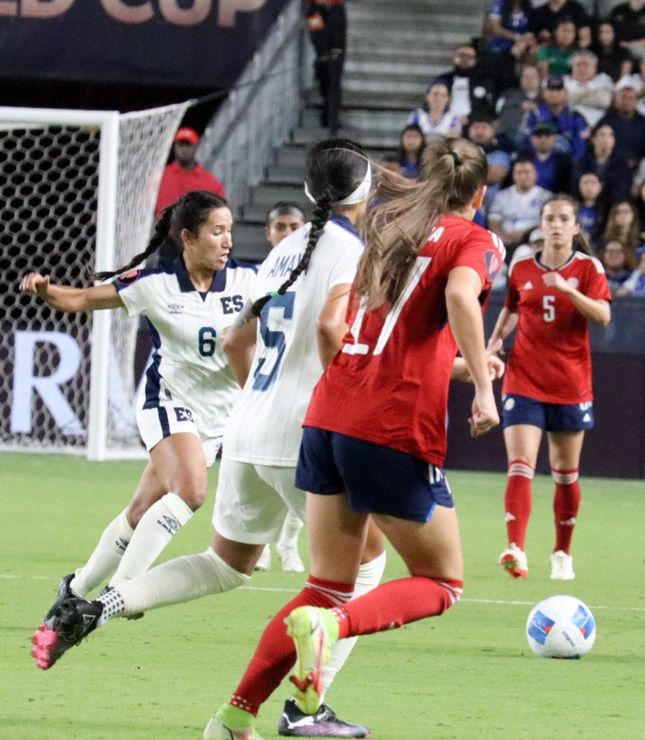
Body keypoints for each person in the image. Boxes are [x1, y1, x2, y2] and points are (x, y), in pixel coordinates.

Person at [38, 142, 390, 737]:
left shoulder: (284, 251)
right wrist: (352, 397)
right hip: (299, 431)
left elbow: (234, 343)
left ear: (308, 196)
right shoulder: (346, 250)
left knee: (227, 564)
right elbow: (332, 328)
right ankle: (307, 706)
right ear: (366, 193)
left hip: (246, 424)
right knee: (366, 566)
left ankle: (100, 605)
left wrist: (258, 398)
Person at [201, 136, 506, 739]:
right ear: (480, 192)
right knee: (441, 583)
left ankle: (234, 716)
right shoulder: (476, 240)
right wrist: (484, 389)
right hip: (390, 426)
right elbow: (460, 296)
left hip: (329, 414)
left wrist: (454, 367)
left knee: (325, 585)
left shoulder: (392, 233)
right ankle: (330, 631)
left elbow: (376, 328)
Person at [25, 191, 256, 670]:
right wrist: (48, 291)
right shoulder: (155, 284)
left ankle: (76, 588)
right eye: (217, 231)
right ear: (188, 237)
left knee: (140, 509)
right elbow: (83, 299)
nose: (227, 240)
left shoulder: (249, 280)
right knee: (191, 490)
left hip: (219, 417)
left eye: (229, 230)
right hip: (166, 403)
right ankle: (121, 593)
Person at [487, 197, 613, 580]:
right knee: (520, 465)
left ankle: (561, 552)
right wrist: (493, 343)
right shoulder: (522, 266)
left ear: (575, 227)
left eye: (563, 219)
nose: (556, 225)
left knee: (565, 474)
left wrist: (569, 291)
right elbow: (512, 308)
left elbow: (604, 315)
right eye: (549, 219)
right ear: (541, 225)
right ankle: (515, 548)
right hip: (523, 378)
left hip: (570, 383)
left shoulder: (588, 268)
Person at [257, 200, 308, 574]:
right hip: (266, 389)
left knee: (307, 471)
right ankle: (259, 543)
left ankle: (288, 544)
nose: (287, 234)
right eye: (280, 227)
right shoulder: (257, 276)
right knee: (265, 471)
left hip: (305, 387)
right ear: (267, 231)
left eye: (295, 227)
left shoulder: (317, 273)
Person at [154, 127, 226, 217]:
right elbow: (143, 207)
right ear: (174, 147)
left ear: (196, 147)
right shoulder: (159, 178)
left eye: (188, 145)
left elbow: (221, 213)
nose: (184, 149)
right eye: (180, 145)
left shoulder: (211, 183)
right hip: (166, 230)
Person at [305, 0, 348, 132]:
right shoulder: (313, 12)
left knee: (334, 83)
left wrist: (337, 49)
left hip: (336, 52)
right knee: (327, 81)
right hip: (323, 56)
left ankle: (332, 121)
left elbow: (341, 31)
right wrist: (323, 53)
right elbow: (316, 33)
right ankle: (328, 118)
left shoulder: (338, 9)